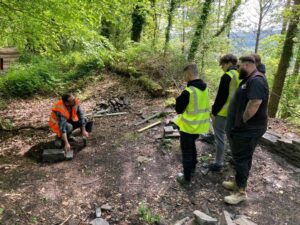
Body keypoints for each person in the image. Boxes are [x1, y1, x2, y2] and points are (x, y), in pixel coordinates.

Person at [223, 56, 269, 205]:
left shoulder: (257, 80)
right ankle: (238, 183)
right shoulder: (249, 78)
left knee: (242, 159)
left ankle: (241, 192)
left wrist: (242, 120)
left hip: (248, 130)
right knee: (241, 157)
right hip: (244, 129)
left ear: (248, 65)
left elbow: (255, 102)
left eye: (240, 65)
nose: (238, 68)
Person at [174, 64, 210, 187]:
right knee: (192, 146)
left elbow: (179, 110)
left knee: (187, 152)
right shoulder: (205, 88)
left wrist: (178, 100)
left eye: (185, 75)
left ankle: (186, 179)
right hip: (199, 126)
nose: (184, 78)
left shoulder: (188, 91)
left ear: (189, 74)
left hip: (188, 127)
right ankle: (193, 167)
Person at [208, 54, 240, 172]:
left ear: (229, 63)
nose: (221, 67)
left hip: (223, 112)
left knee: (220, 137)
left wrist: (214, 112)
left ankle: (218, 163)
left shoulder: (227, 76)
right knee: (231, 136)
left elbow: (221, 98)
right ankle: (234, 158)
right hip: (235, 113)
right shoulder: (240, 75)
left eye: (222, 64)